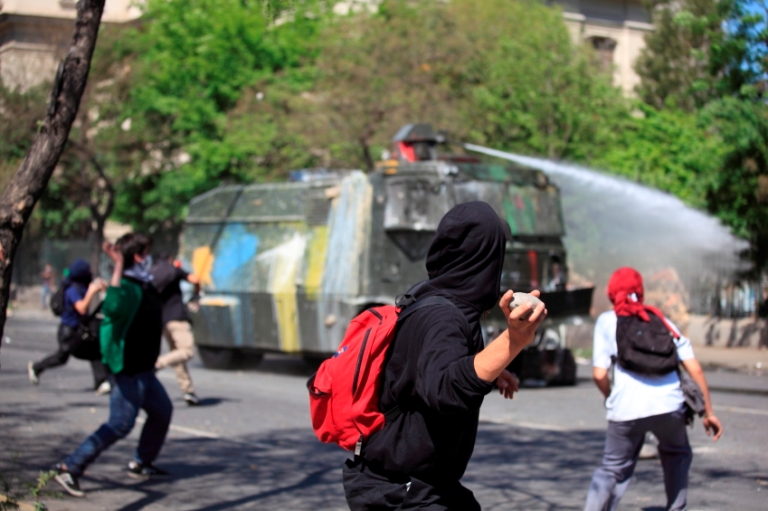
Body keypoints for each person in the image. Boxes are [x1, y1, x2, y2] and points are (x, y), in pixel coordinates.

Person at [342, 201, 547, 511]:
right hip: (405, 493)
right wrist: (513, 340)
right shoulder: (443, 316)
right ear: (486, 260)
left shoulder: (430, 298)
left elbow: (424, 373)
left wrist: (490, 364)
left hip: (416, 485)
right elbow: (445, 391)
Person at [584, 267, 723, 511]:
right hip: (670, 406)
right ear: (641, 291)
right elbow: (695, 369)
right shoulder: (662, 320)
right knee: (677, 454)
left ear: (611, 292)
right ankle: (676, 507)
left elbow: (599, 373)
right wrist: (708, 413)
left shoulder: (607, 321)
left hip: (625, 410)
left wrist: (609, 397)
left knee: (612, 468)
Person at [53, 234, 173, 497]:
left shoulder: (144, 283)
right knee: (120, 424)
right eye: (146, 252)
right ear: (138, 256)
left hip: (144, 369)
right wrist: (118, 265)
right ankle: (69, 467)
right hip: (128, 369)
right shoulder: (128, 285)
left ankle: (140, 463)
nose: (150, 257)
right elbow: (114, 305)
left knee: (162, 411)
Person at [28, 259, 110, 394]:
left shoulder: (81, 287)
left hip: (75, 331)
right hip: (69, 333)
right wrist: (91, 291)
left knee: (62, 358)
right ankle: (101, 382)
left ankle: (36, 368)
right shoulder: (72, 290)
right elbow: (82, 308)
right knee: (93, 353)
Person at [150, 253, 202, 406]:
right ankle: (157, 364)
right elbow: (195, 279)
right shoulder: (173, 269)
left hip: (162, 320)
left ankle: (187, 390)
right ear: (170, 258)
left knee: (177, 356)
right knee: (187, 351)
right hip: (177, 318)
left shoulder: (152, 272)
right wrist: (196, 295)